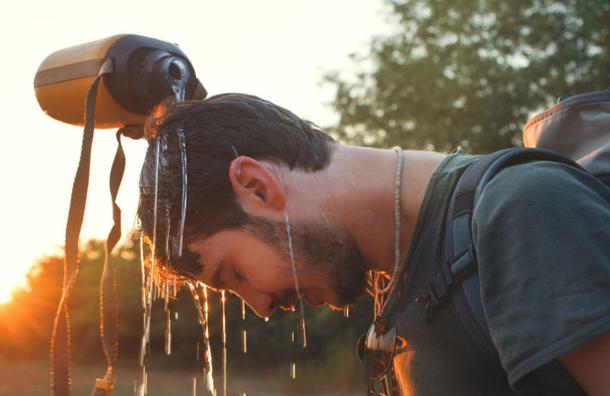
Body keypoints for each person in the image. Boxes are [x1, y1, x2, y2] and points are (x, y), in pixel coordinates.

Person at [137, 93, 610, 396]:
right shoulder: (399, 278)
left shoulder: (521, 210)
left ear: (257, 186)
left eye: (234, 274)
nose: (259, 306)